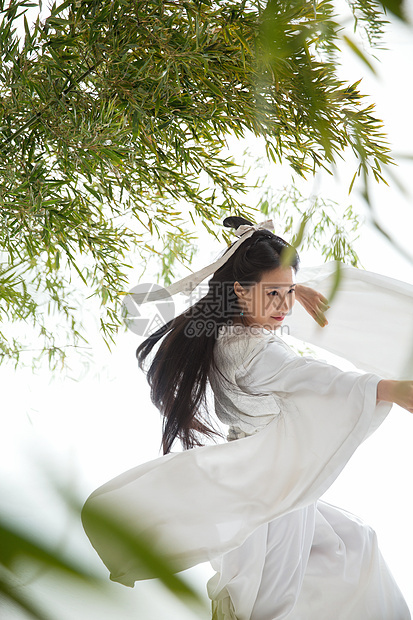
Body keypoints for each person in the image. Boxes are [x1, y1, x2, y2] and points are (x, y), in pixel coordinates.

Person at [82, 216, 412, 619]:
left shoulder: (226, 327)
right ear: (240, 291)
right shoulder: (252, 351)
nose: (284, 305)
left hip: (265, 476)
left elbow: (254, 301)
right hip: (272, 485)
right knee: (267, 602)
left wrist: (288, 289)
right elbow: (309, 378)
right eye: (274, 293)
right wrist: (386, 389)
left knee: (353, 545)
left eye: (287, 291)